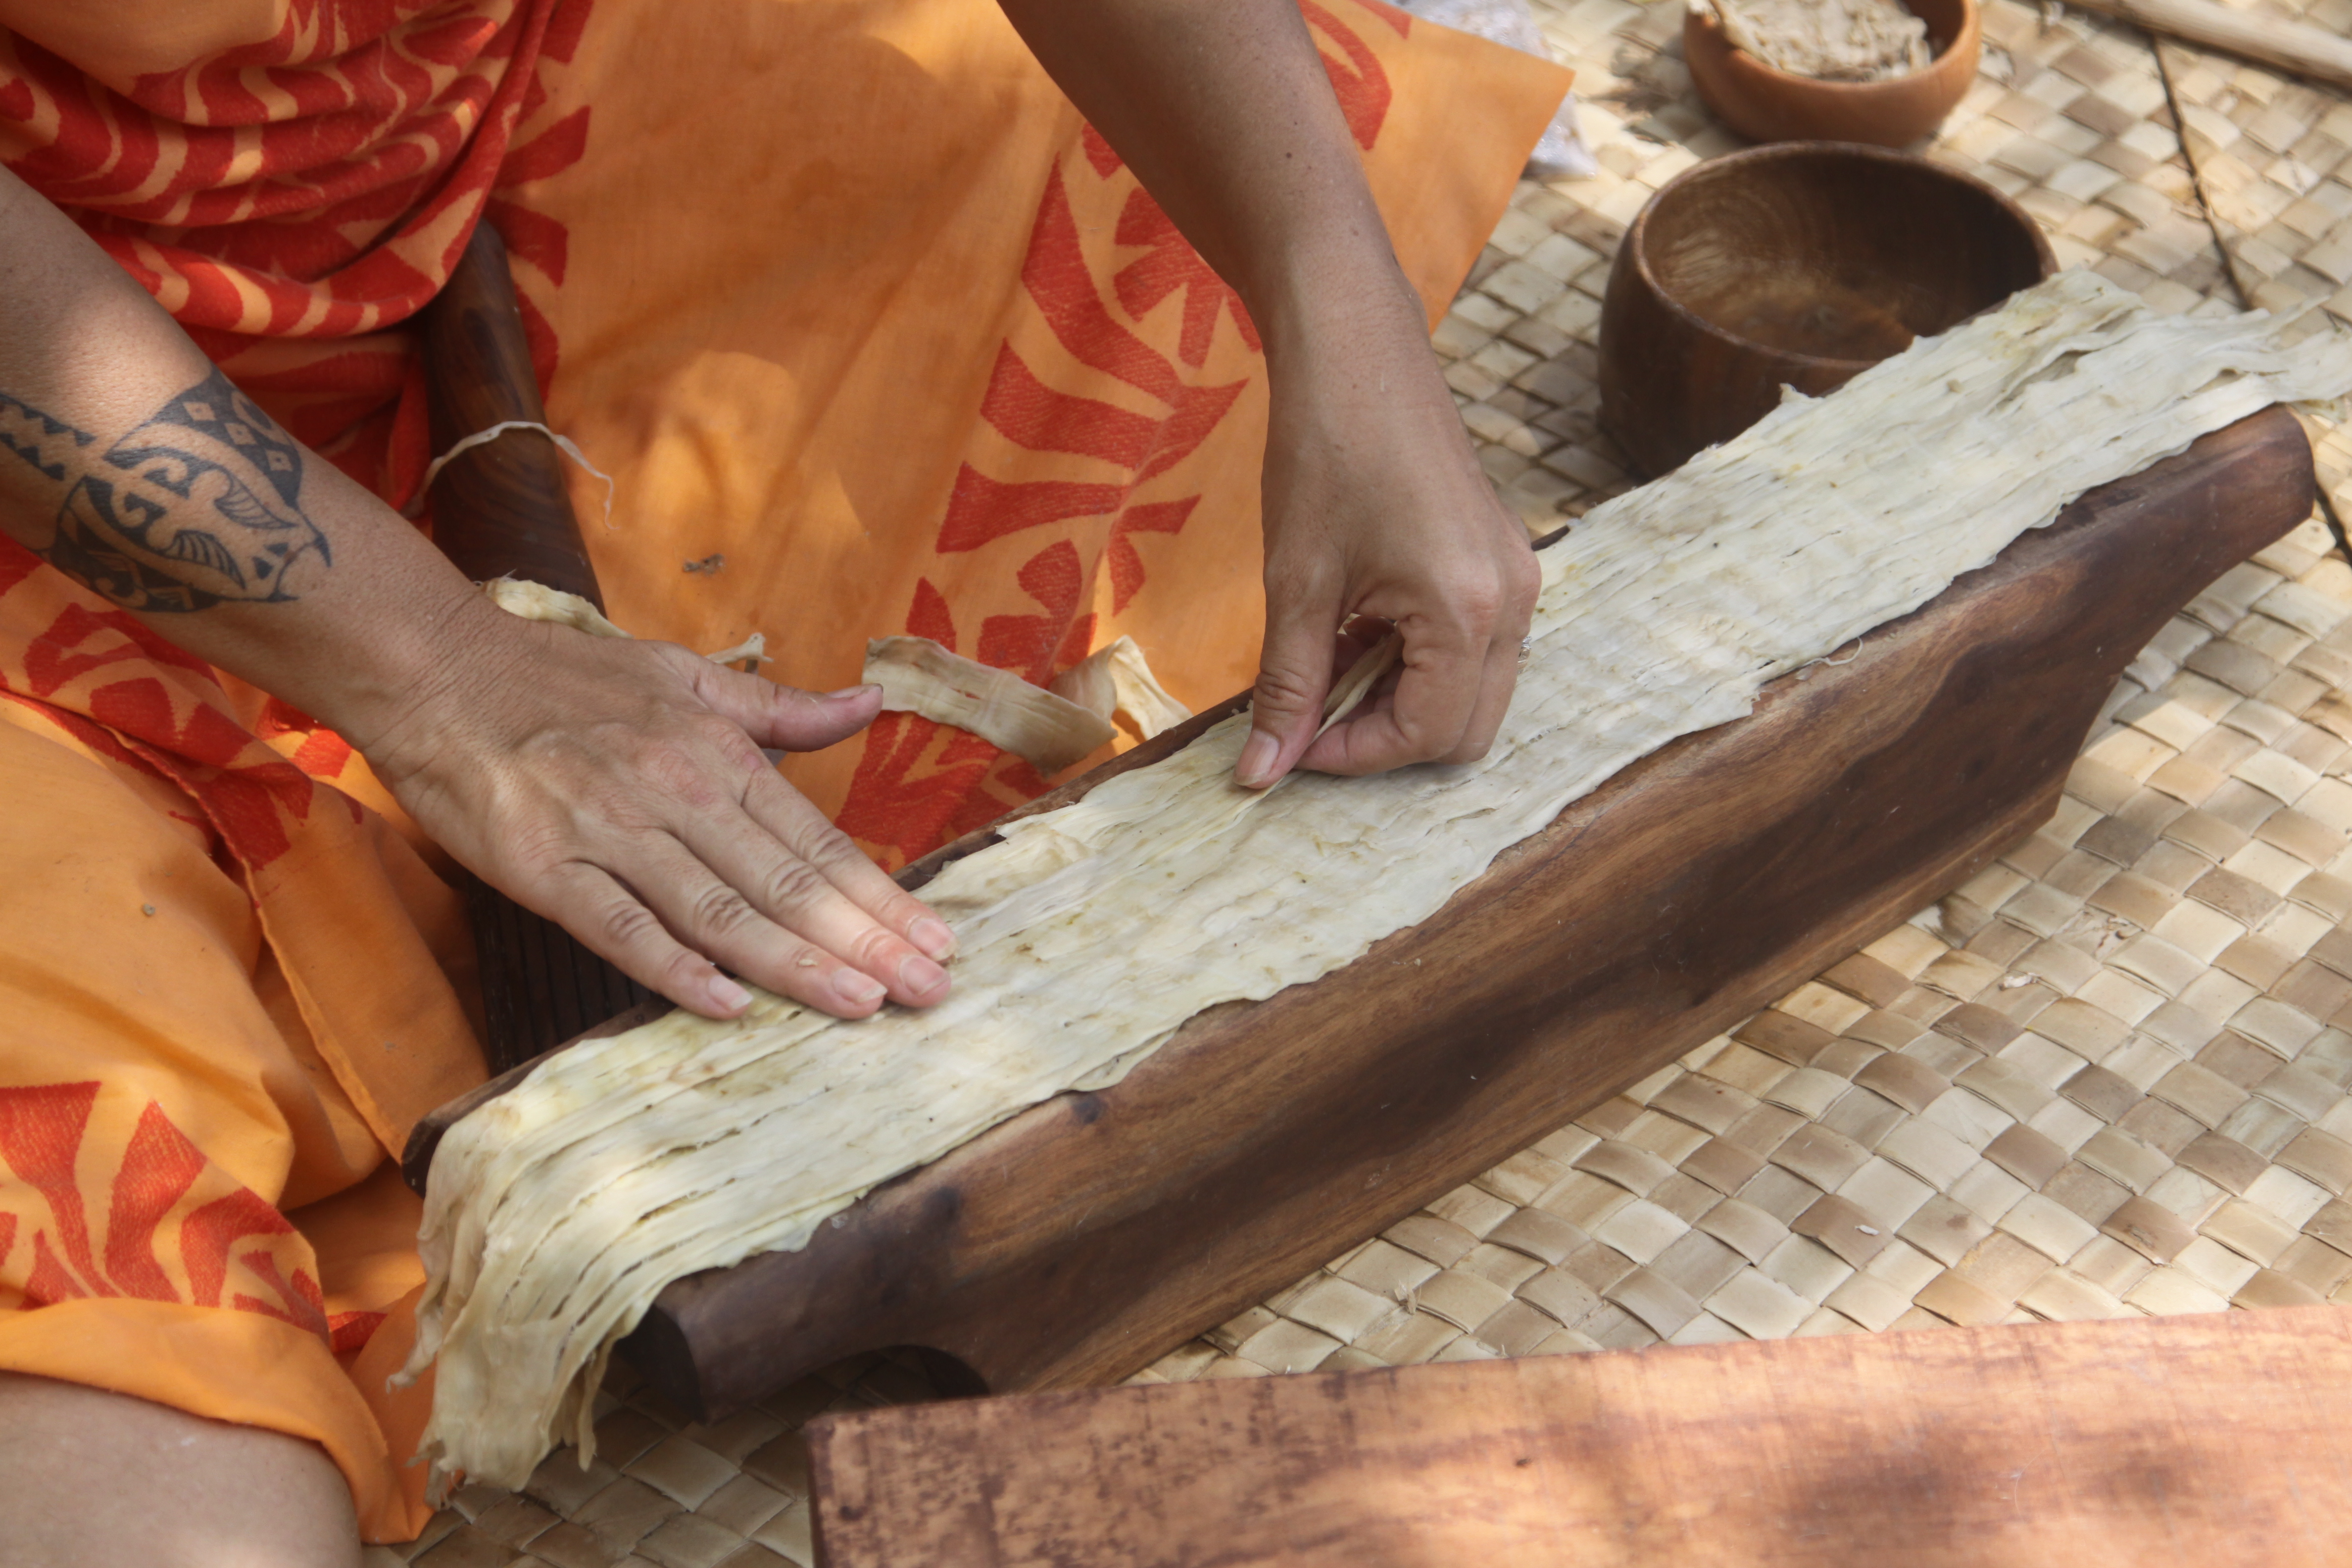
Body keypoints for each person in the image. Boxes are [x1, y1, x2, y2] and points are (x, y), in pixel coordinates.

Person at [0, 0, 1565, 1558]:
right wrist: (443, 672)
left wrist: (1336, 316)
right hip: (56, 413)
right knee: (144, 1402)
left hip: (522, 126)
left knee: (1217, 173)